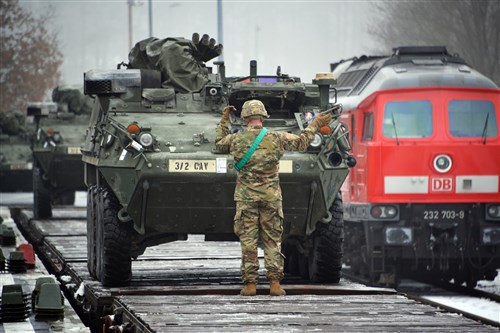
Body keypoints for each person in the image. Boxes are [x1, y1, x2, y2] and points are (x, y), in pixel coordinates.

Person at [215, 99, 332, 296]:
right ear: (263, 117)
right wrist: (315, 124)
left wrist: (224, 120)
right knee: (272, 240)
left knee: (249, 241)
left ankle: (250, 285)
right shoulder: (276, 137)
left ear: (245, 118)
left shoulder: (236, 140)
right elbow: (302, 142)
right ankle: (275, 283)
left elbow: (218, 144)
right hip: (271, 197)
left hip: (246, 198)